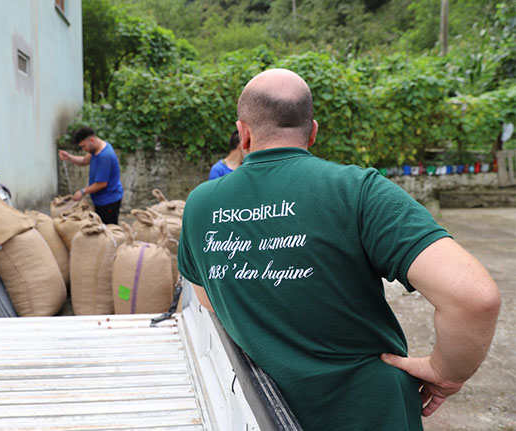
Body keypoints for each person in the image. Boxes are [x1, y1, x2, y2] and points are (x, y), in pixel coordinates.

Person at [177, 69, 500, 430]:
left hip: (259, 409)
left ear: (243, 133)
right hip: (371, 413)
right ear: (312, 132)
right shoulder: (358, 191)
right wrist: (446, 372)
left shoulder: (200, 205)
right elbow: (474, 298)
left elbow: (210, 300)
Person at [58, 127, 124, 224]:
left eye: (84, 146)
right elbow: (84, 161)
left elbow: (101, 184)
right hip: (101, 200)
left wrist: (82, 192)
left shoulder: (105, 156)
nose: (84, 149)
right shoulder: (95, 150)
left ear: (92, 140)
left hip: (109, 201)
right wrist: (69, 157)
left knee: (108, 231)